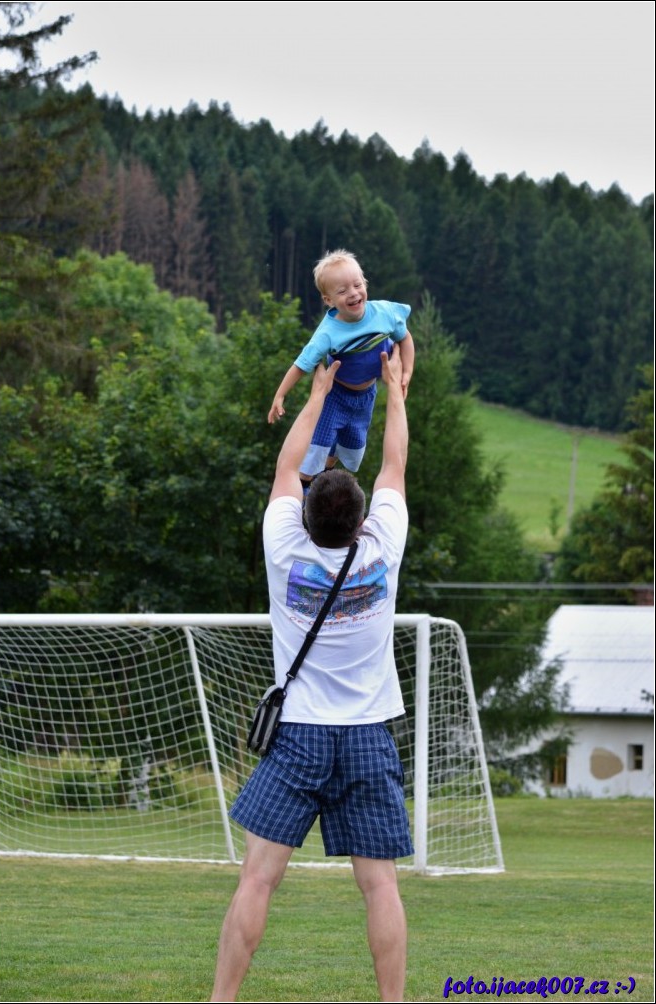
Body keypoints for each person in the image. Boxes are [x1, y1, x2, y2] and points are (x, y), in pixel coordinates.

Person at [210, 344, 412, 1003]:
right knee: (379, 886)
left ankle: (221, 1001)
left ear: (305, 514)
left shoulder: (283, 544)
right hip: (364, 736)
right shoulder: (381, 546)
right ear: (360, 517)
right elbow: (393, 464)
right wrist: (393, 391)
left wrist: (318, 393)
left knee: (257, 881)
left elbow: (284, 466)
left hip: (296, 735)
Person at [267, 248, 415, 491]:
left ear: (364, 283)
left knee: (346, 447)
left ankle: (322, 481)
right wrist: (280, 394)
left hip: (366, 397)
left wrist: (407, 372)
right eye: (342, 290)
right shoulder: (328, 332)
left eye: (357, 285)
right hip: (335, 396)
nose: (353, 293)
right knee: (316, 449)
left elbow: (405, 338)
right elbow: (302, 365)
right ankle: (306, 494)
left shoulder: (386, 313)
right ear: (329, 300)